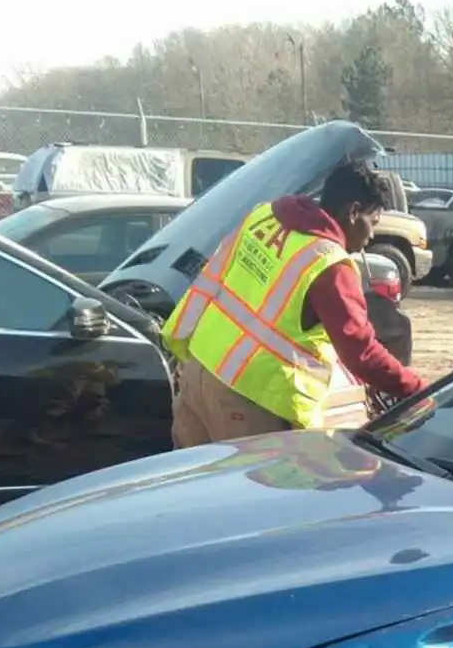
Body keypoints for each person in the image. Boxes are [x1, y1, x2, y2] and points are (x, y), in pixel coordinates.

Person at [163, 159, 425, 446]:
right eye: (372, 223)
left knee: (192, 485)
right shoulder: (328, 263)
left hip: (197, 371)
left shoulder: (264, 216)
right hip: (248, 399)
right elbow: (360, 352)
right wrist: (416, 389)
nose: (371, 236)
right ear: (352, 213)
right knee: (256, 490)